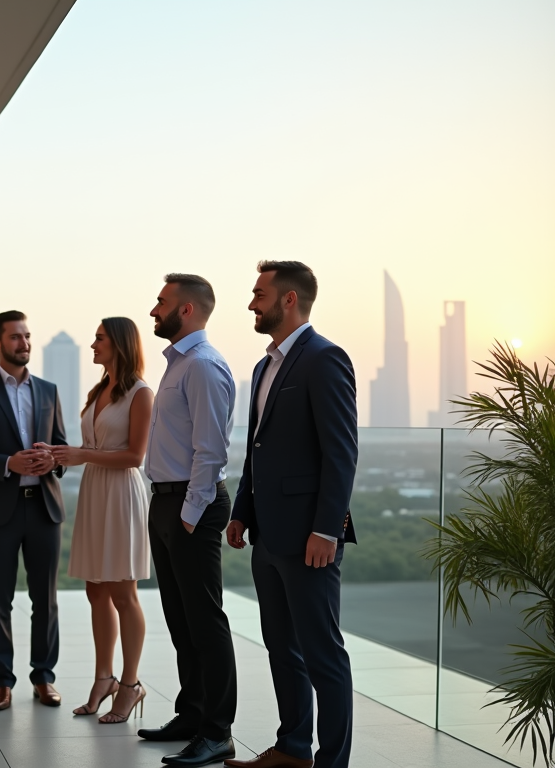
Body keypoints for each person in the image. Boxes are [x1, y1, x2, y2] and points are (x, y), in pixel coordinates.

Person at [224, 262, 358, 768]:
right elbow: (257, 450)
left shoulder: (325, 359)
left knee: (324, 657)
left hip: (310, 538)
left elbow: (341, 453)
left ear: (289, 300)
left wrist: (327, 528)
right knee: (282, 650)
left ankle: (332, 763)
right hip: (267, 536)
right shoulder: (263, 367)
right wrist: (242, 512)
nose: (251, 303)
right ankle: (293, 749)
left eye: (259, 293)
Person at [138, 273, 238, 768]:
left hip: (189, 505)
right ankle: (193, 714)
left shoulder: (202, 366)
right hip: (166, 501)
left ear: (188, 310)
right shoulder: (178, 364)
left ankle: (217, 732)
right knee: (181, 621)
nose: (154, 310)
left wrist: (191, 514)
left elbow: (211, 450)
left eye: (162, 303)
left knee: (205, 621)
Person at [0, 311, 68, 711]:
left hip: (44, 508)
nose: (24, 343)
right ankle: (2, 682)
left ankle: (44, 677)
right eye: (16, 337)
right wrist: (8, 464)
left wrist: (51, 461)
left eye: (27, 336)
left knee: (46, 600)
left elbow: (62, 449)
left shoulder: (50, 390)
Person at [43, 317, 154, 724]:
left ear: (120, 344)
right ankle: (102, 677)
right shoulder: (98, 390)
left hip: (122, 493)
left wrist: (83, 455)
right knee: (95, 590)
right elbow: (88, 448)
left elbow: (135, 456)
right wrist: (60, 453)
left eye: (100, 338)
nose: (93, 344)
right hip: (95, 491)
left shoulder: (141, 393)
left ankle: (130, 684)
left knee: (124, 593)